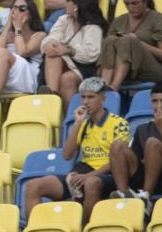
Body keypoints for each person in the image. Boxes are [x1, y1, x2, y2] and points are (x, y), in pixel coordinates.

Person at [23, 76, 133, 221]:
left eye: (91, 97)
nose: (86, 102)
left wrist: (90, 175)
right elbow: (67, 155)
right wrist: (77, 124)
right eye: (83, 97)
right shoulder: (83, 123)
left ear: (102, 99)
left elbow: (118, 160)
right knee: (33, 185)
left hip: (109, 176)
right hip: (83, 173)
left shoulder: (118, 123)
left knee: (91, 183)